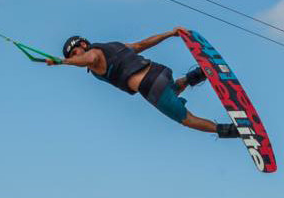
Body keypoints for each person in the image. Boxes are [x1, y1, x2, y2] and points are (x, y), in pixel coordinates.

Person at [48, 28, 240, 137]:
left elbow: (87, 59)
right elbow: (141, 45)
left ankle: (232, 130)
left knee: (187, 120)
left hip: (150, 86)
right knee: (172, 90)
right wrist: (170, 33)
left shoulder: (93, 54)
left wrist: (61, 61)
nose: (75, 58)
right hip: (160, 72)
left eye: (74, 53)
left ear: (82, 44)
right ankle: (199, 74)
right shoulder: (113, 46)